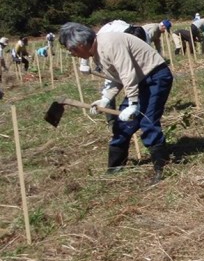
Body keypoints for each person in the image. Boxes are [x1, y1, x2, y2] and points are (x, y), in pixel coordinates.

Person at [58, 22, 174, 183]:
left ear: (80, 44)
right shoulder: (98, 51)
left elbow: (127, 72)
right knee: (122, 125)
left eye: (72, 50)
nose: (73, 54)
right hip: (139, 81)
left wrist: (133, 103)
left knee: (147, 121)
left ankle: (163, 167)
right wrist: (106, 98)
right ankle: (115, 169)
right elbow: (117, 78)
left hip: (155, 76)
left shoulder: (109, 43)